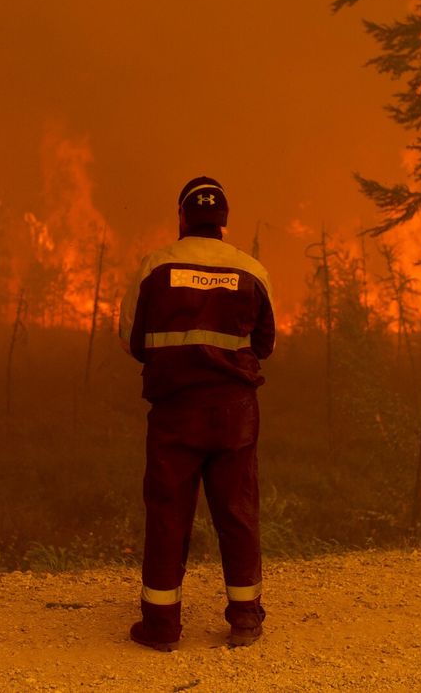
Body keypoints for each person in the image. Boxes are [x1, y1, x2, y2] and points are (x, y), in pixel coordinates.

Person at [119, 176, 276, 651]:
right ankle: (245, 619)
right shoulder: (252, 271)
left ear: (182, 217)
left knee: (168, 514)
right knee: (238, 512)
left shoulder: (155, 266)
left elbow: (132, 340)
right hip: (235, 414)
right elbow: (265, 345)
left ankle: (162, 628)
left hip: (176, 412)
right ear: (223, 222)